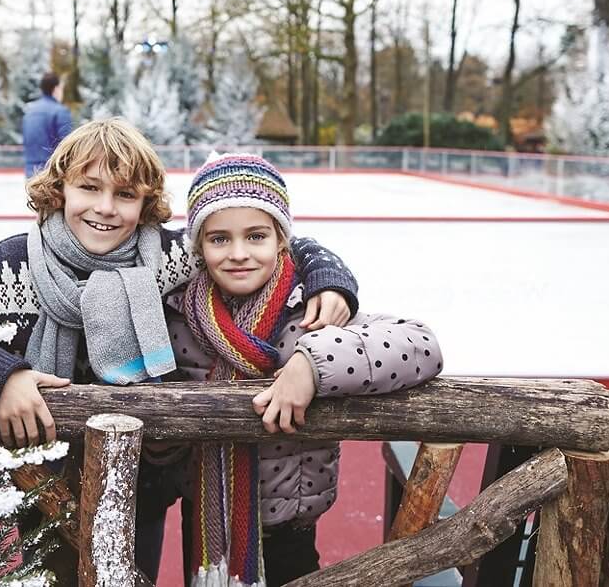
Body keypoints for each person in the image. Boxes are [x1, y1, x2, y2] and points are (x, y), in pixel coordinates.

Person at [0, 121, 361, 581]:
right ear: (59, 188)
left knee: (135, 576)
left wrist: (330, 280)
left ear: (145, 202)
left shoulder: (171, 257)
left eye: (125, 194)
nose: (105, 207)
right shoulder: (12, 266)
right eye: (89, 187)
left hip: (142, 485)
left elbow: (268, 239)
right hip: (45, 482)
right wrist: (0, 375)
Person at [164, 153, 444, 586]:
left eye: (256, 236)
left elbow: (421, 345)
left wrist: (312, 364)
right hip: (205, 517)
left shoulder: (313, 308)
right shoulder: (178, 312)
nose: (238, 254)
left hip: (290, 524)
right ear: (198, 245)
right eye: (219, 239)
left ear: (281, 240)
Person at [22, 71, 73, 177]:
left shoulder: (30, 112)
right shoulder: (60, 112)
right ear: (56, 89)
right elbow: (67, 144)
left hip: (30, 172)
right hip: (51, 172)